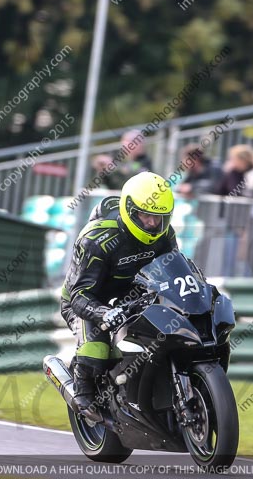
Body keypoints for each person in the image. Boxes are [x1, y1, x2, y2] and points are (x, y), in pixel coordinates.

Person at [61, 172, 178, 421]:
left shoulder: (165, 235)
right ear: (129, 210)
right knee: (96, 349)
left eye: (159, 218)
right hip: (87, 299)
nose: (151, 224)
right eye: (146, 215)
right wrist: (104, 312)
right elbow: (79, 294)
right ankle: (82, 391)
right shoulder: (98, 239)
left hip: (134, 295)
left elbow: (175, 268)